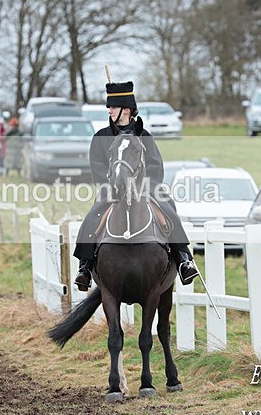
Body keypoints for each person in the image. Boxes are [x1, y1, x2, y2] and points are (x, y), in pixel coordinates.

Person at [72, 80, 201, 291]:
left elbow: (155, 166)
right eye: (109, 107)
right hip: (112, 190)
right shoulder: (101, 137)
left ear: (127, 109)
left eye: (113, 106)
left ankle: (184, 259)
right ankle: (85, 267)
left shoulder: (144, 136)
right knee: (92, 217)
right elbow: (97, 168)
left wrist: (141, 188)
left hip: (144, 190)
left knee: (168, 209)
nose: (109, 110)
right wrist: (113, 185)